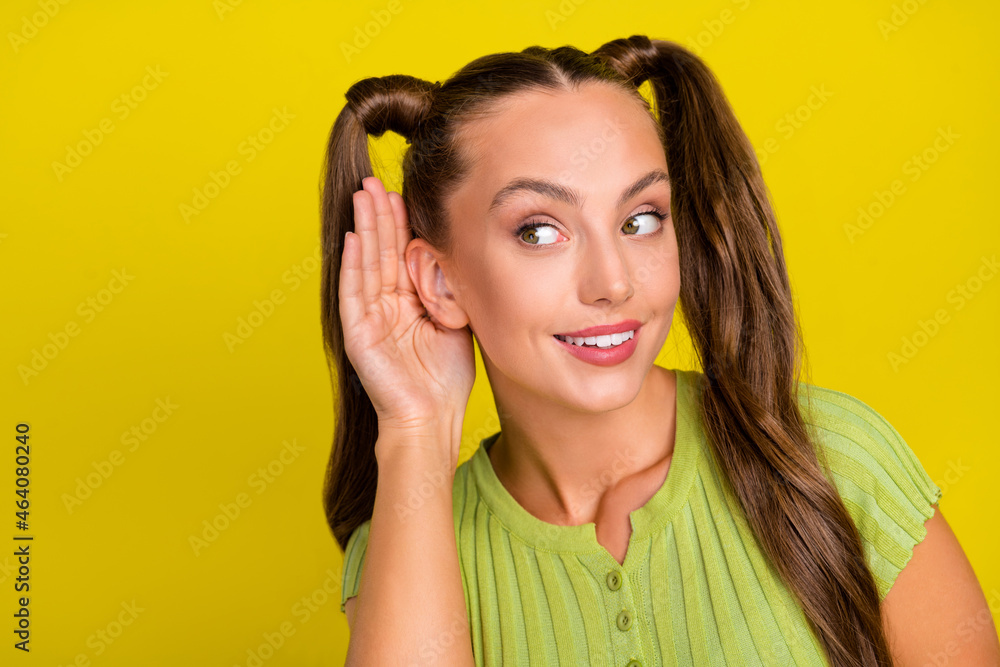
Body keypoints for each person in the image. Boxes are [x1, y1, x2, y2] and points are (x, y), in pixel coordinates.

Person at [319, 35, 999, 666]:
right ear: (440, 280)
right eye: (539, 231)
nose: (613, 281)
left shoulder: (834, 463)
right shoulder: (403, 548)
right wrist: (414, 425)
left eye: (640, 220)